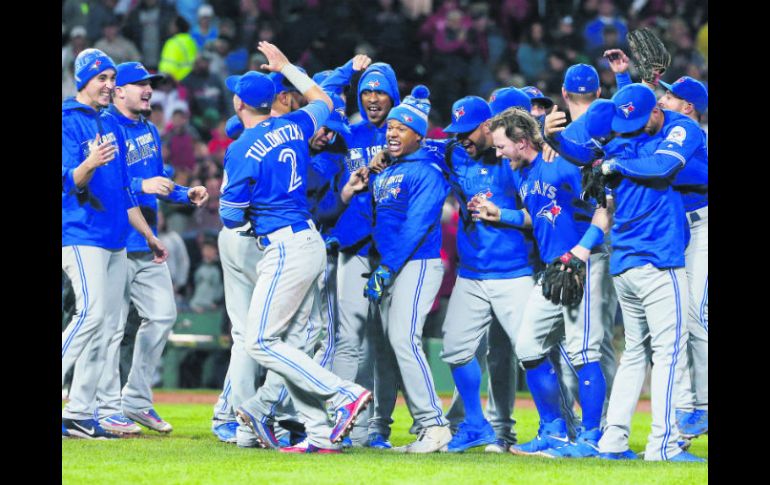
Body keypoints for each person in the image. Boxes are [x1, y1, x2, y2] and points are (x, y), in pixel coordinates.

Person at [220, 41, 372, 454]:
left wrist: (251, 214)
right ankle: (320, 434)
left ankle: (341, 393)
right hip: (308, 240)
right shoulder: (295, 125)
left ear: (238, 103)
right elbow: (322, 98)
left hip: (284, 245)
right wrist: (289, 66)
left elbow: (230, 215)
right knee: (292, 342)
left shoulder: (239, 148)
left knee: (261, 342)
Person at [472, 107, 611, 458]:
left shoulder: (561, 163)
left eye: (502, 146)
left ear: (521, 142)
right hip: (553, 268)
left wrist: (580, 252)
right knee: (529, 346)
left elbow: (605, 205)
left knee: (584, 351)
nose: (498, 153)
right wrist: (498, 214)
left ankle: (592, 438)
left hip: (583, 262)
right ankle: (554, 431)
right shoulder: (521, 172)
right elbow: (539, 216)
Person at [87, 61, 209, 436]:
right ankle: (105, 408)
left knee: (162, 315)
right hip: (113, 240)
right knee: (109, 328)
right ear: (118, 91)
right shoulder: (104, 128)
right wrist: (143, 186)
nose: (147, 90)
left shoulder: (150, 130)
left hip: (146, 241)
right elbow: (109, 184)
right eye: (138, 84)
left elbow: (159, 179)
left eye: (149, 84)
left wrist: (184, 194)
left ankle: (136, 400)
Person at [62, 48, 168, 439]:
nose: (108, 85)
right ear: (83, 81)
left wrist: (147, 235)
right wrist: (88, 164)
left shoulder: (106, 124)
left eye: (111, 78)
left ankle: (79, 411)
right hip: (79, 231)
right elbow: (66, 180)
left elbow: (125, 189)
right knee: (89, 315)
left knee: (106, 326)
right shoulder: (67, 120)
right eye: (101, 79)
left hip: (114, 235)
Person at [605, 50, 709, 442]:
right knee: (674, 327)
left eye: (667, 95)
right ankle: (684, 404)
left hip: (697, 226)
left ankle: (699, 404)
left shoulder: (690, 133)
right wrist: (622, 79)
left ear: (688, 107)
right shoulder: (665, 129)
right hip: (670, 231)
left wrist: (615, 167)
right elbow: (635, 118)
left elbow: (663, 165)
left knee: (694, 318)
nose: (660, 97)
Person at [435, 94, 535, 453]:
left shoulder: (517, 160)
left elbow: (538, 216)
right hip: (472, 274)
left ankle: (557, 428)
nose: (460, 137)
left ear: (487, 127)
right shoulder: (453, 154)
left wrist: (502, 215)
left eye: (467, 130)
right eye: (455, 130)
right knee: (457, 349)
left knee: (534, 352)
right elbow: (426, 148)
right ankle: (476, 425)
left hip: (514, 272)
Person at [318, 57, 402, 448]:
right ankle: (344, 422)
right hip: (352, 248)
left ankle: (379, 427)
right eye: (366, 91)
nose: (372, 98)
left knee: (386, 343)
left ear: (393, 96)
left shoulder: (407, 134)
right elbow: (321, 97)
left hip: (392, 251)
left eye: (379, 92)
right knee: (349, 339)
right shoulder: (347, 135)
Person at [364, 86, 453, 453]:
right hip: (393, 265)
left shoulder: (428, 171)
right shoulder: (387, 170)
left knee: (405, 340)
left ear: (419, 134)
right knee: (394, 345)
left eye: (402, 128)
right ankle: (423, 426)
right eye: (390, 128)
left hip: (417, 263)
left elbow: (416, 227)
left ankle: (434, 424)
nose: (392, 133)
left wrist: (386, 268)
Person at [159, 15, 198, 82]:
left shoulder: (172, 43)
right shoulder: (191, 41)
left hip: (175, 82)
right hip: (190, 79)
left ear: (177, 27)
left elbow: (168, 67)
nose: (170, 27)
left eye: (172, 25)